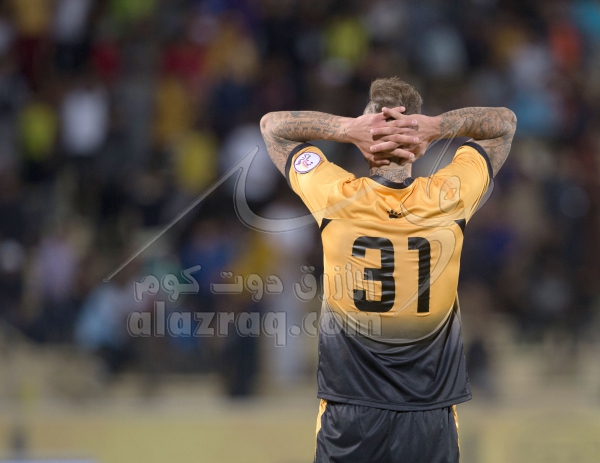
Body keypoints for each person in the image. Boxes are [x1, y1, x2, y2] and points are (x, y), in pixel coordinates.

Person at [260, 77, 516, 463]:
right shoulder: (449, 197)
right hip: (429, 412)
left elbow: (272, 127)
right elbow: (504, 125)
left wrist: (346, 128)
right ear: (416, 144)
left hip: (350, 410)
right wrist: (436, 127)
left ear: (367, 142)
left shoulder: (335, 195)